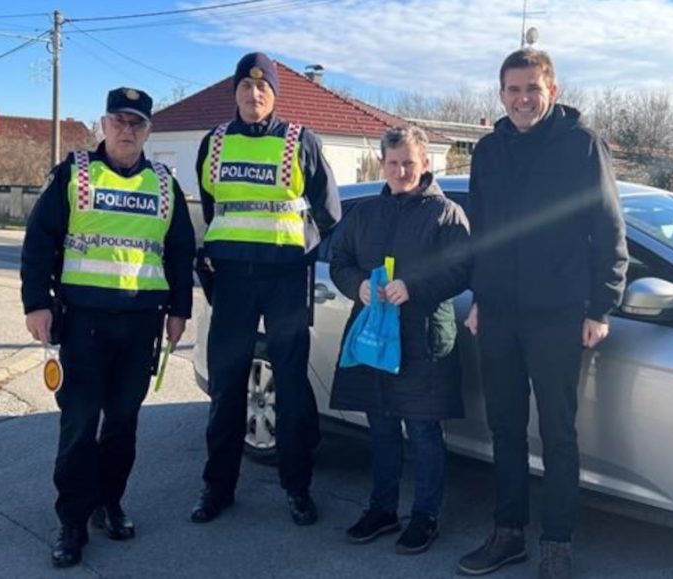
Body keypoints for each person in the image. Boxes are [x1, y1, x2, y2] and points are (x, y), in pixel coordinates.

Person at [456, 49, 628, 579]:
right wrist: (481, 297)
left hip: (558, 314)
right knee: (504, 426)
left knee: (557, 432)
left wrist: (601, 305)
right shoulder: (487, 151)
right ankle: (508, 532)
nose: (522, 99)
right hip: (500, 313)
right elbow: (481, 232)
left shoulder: (581, 145)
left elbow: (608, 228)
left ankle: (557, 540)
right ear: (500, 94)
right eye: (512, 90)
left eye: (532, 88)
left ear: (551, 90)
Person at [20, 87, 195, 568]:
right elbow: (39, 243)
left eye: (136, 123)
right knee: (79, 425)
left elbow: (181, 251)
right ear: (103, 124)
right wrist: (37, 304)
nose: (126, 129)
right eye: (119, 120)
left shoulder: (164, 185)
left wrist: (180, 311)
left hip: (141, 326)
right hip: (83, 324)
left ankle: (109, 503)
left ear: (148, 131)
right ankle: (72, 521)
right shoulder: (73, 174)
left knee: (122, 424)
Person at [190, 52, 341, 527]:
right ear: (234, 92)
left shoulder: (301, 141)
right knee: (226, 387)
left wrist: (301, 254)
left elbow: (329, 214)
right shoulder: (213, 143)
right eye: (245, 88)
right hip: (233, 279)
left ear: (274, 94)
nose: (253, 96)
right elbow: (215, 209)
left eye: (263, 88)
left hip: (285, 280)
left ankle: (297, 490)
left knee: (292, 389)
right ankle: (217, 488)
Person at [328, 126, 470, 555]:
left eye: (409, 162)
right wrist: (358, 287)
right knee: (383, 427)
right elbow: (339, 261)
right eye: (393, 163)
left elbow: (463, 269)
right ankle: (383, 509)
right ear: (382, 164)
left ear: (426, 162)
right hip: (375, 338)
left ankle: (425, 515)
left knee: (425, 432)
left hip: (424, 340)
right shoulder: (365, 214)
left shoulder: (446, 214)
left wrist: (416, 285)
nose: (401, 170)